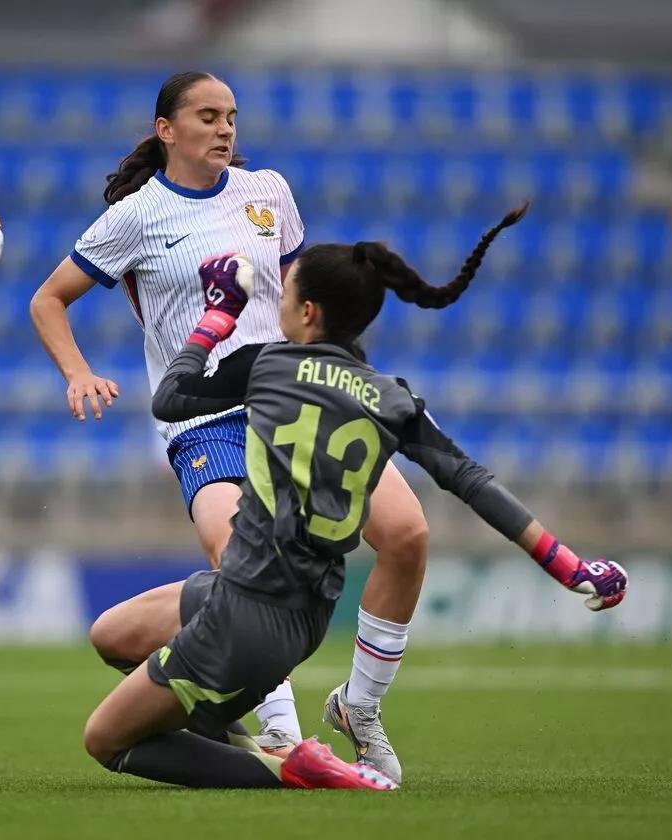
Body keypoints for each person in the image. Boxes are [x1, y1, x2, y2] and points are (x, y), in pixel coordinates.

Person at [80, 206, 629, 789]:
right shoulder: (389, 398)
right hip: (302, 612)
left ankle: (289, 768)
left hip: (244, 616)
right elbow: (474, 483)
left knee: (105, 741)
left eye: (283, 294)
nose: (276, 303)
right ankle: (260, 736)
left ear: (307, 312)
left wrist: (217, 317)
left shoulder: (266, 365)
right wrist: (570, 567)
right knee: (112, 635)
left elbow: (169, 399)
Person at [30, 70, 428, 781]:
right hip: (207, 417)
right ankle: (284, 739)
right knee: (235, 558)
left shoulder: (267, 192)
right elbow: (48, 300)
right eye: (208, 116)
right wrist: (77, 372)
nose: (224, 129)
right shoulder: (135, 217)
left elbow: (301, 302)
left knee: (406, 534)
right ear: (166, 130)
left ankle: (359, 708)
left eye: (231, 117)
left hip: (297, 404)